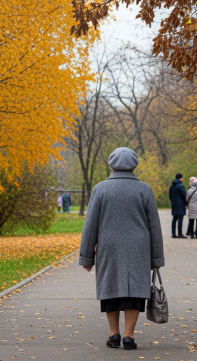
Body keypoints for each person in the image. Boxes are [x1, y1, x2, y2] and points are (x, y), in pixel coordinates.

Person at [79, 147, 165, 351]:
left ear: (111, 164)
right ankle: (129, 336)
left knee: (110, 287)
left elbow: (90, 224)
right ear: (134, 165)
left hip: (109, 245)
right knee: (134, 290)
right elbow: (155, 226)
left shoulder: (100, 189)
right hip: (138, 246)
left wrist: (87, 257)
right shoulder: (144, 189)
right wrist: (156, 258)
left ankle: (113, 333)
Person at [168, 173, 187, 238]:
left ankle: (173, 233)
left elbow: (170, 196)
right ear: (181, 178)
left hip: (174, 204)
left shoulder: (172, 186)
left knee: (174, 219)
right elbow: (184, 195)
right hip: (180, 204)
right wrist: (186, 202)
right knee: (180, 218)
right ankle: (180, 233)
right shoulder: (180, 186)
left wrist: (173, 201)